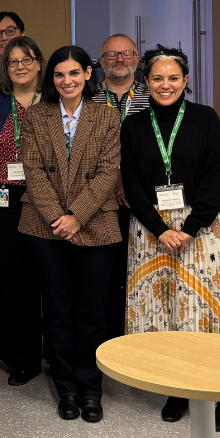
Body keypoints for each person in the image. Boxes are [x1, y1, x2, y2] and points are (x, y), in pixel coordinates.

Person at [121, 45, 220, 430]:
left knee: (205, 309)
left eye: (173, 78)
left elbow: (216, 182)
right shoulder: (134, 125)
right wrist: (160, 229)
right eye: (157, 78)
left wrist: (186, 230)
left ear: (186, 81)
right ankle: (177, 386)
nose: (165, 85)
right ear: (145, 82)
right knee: (165, 309)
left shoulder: (206, 119)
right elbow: (132, 184)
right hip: (151, 229)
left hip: (199, 229)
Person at [19, 45, 120, 423]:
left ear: (88, 75)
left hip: (97, 223)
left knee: (92, 313)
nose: (67, 81)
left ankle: (91, 388)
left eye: (74, 73)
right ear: (52, 79)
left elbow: (108, 172)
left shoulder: (106, 118)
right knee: (58, 311)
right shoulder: (36, 116)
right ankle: (66, 388)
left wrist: (76, 216)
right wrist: (60, 219)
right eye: (60, 75)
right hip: (45, 227)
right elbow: (33, 170)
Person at [0, 36, 47, 386]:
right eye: (13, 61)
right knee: (14, 285)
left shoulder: (54, 102)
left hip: (49, 204)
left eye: (26, 59)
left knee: (50, 281)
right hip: (4, 203)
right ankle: (22, 359)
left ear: (39, 63)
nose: (20, 66)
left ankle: (54, 355)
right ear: (6, 67)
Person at [91, 34, 152, 339]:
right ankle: (107, 337)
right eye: (111, 55)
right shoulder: (87, 99)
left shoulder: (154, 97)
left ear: (137, 60)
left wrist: (128, 183)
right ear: (100, 62)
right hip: (97, 203)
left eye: (126, 54)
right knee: (104, 274)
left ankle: (137, 335)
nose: (119, 60)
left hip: (140, 200)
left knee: (138, 270)